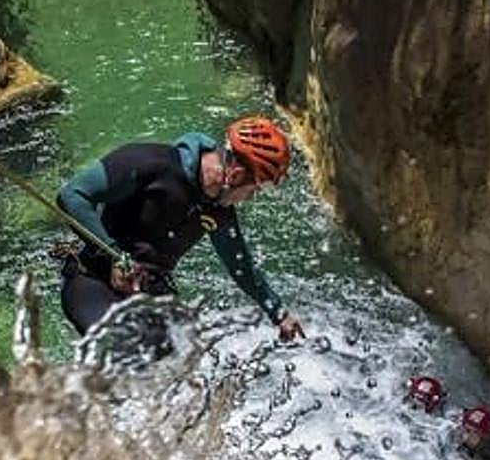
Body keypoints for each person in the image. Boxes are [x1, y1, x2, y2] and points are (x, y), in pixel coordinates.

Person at [54, 116, 305, 341]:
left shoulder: (220, 211)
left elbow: (241, 267)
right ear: (236, 175)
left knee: (183, 367)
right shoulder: (150, 163)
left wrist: (279, 313)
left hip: (150, 294)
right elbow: (72, 195)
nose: (250, 199)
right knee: (118, 347)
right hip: (93, 280)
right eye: (254, 190)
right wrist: (112, 255)